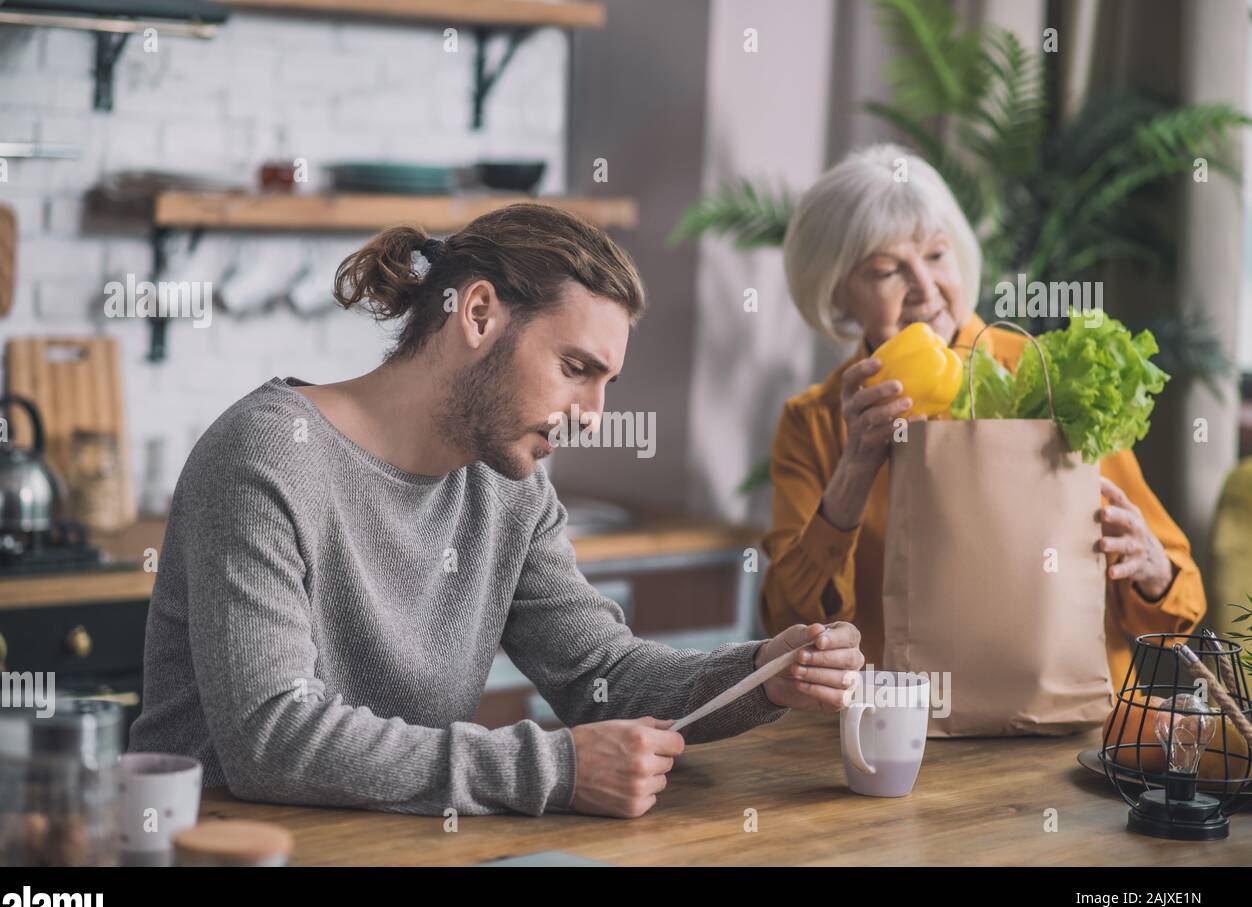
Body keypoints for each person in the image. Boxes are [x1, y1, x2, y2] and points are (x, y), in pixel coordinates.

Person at [130, 203, 865, 819]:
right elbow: (272, 741)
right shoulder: (266, 455)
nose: (592, 417)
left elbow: (600, 673)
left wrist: (759, 674)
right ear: (478, 313)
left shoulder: (508, 487)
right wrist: (552, 768)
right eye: (575, 369)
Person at [762, 145, 1205, 694]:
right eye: (886, 270)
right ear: (836, 292)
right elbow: (788, 628)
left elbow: (1175, 611)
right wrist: (855, 468)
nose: (925, 289)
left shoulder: (1048, 376)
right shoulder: (816, 422)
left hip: (1069, 731)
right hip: (903, 736)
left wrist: (1151, 570)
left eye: (937, 255)